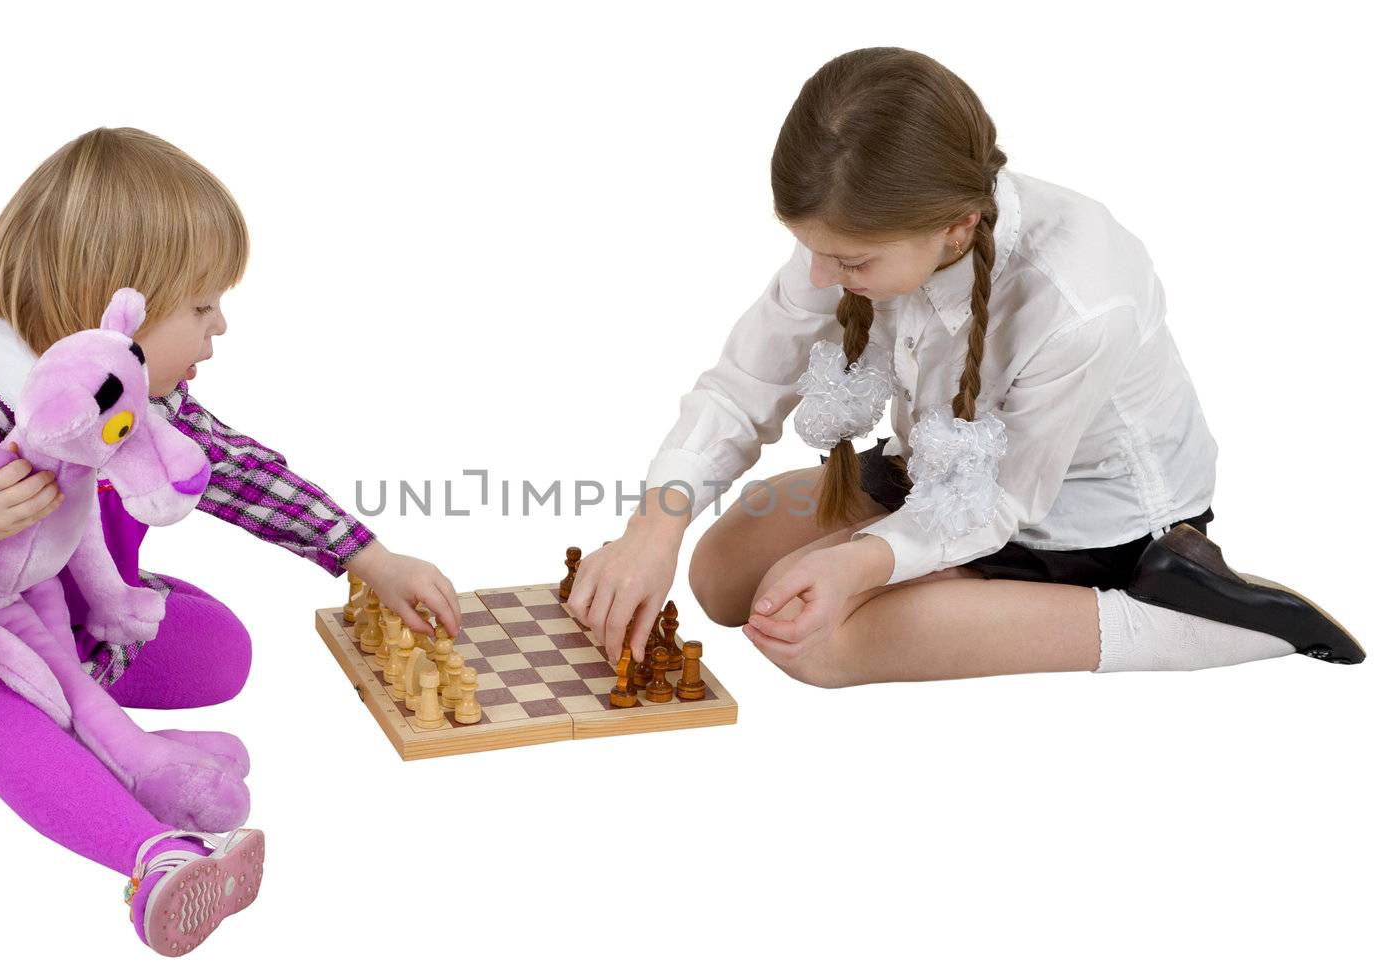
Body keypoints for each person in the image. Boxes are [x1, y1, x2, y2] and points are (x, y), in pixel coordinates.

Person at [0, 127, 460, 954]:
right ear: (120, 309)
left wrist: (366, 554)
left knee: (222, 652)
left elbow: (240, 473)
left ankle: (90, 729)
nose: (221, 328)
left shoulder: (136, 400)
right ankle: (156, 859)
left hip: (59, 635)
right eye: (203, 305)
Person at [563, 47, 1363, 686]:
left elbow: (1005, 499)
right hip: (935, 469)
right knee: (719, 574)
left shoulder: (1082, 298)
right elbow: (743, 385)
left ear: (956, 229)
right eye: (813, 248)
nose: (816, 277)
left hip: (1081, 522)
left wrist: (861, 564)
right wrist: (652, 528)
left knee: (811, 642)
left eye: (846, 261)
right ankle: (945, 590)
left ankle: (1206, 622)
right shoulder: (863, 230)